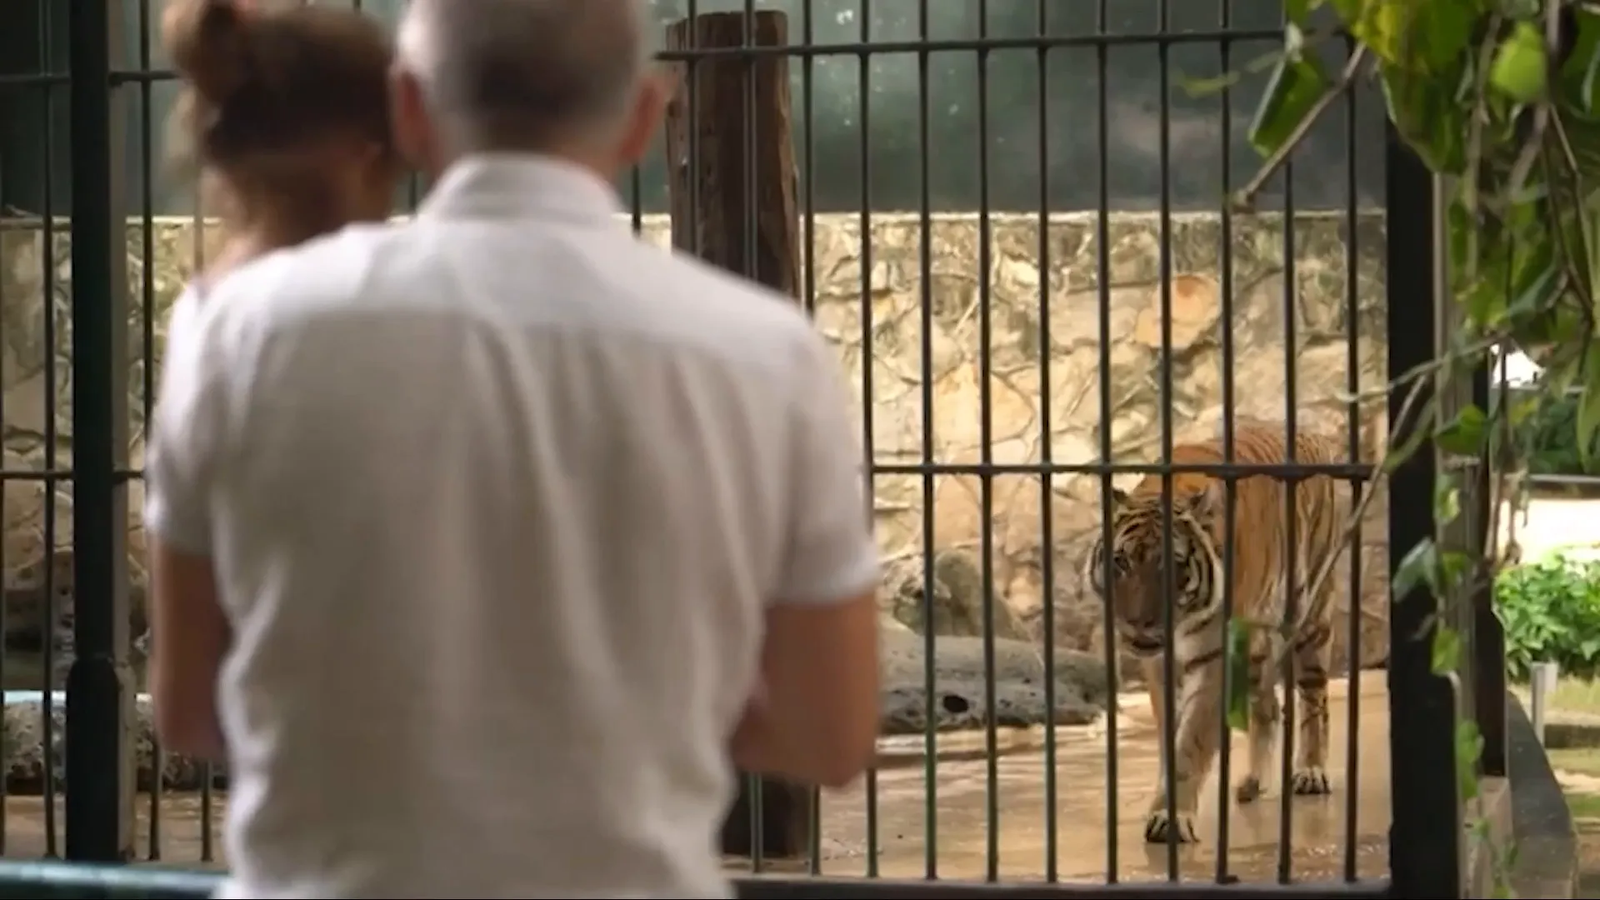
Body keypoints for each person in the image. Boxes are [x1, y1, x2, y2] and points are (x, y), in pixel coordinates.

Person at [143, 0, 883, 896]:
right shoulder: (768, 354)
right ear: (647, 116)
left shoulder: (236, 326)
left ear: (407, 110)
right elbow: (830, 732)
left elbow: (185, 707)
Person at [145, 0, 400, 770]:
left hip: (298, 835)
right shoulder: (427, 306)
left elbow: (185, 707)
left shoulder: (209, 327)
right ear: (368, 154)